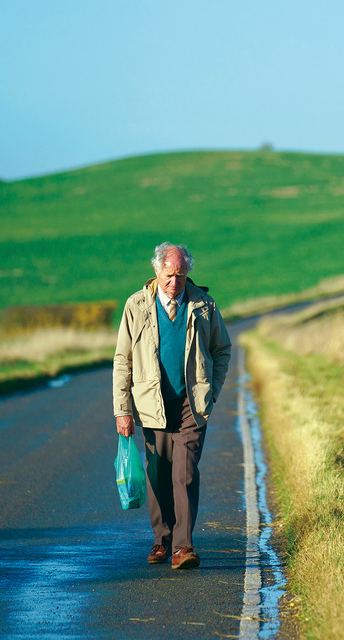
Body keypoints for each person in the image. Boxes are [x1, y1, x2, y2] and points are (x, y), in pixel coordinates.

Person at [112, 242, 231, 569]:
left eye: (180, 275)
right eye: (168, 275)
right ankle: (161, 540)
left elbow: (222, 350)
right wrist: (122, 410)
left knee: (185, 474)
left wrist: (212, 391)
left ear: (187, 272)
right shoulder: (136, 305)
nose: (174, 282)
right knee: (158, 474)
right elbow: (123, 360)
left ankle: (183, 547)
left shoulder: (204, 305)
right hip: (152, 406)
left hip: (191, 406)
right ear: (156, 271)